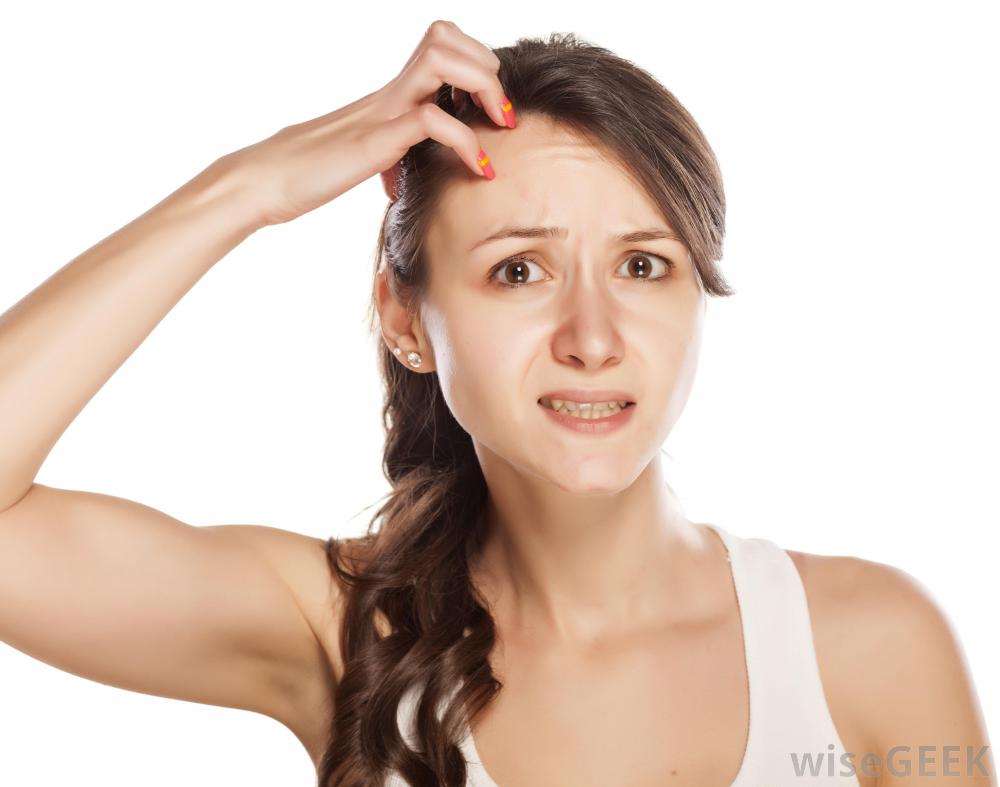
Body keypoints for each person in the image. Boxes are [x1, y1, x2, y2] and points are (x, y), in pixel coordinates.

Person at [0, 19, 993, 787]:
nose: (592, 338)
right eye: (520, 270)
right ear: (406, 317)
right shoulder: (339, 630)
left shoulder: (871, 643)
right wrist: (249, 186)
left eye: (643, 265)